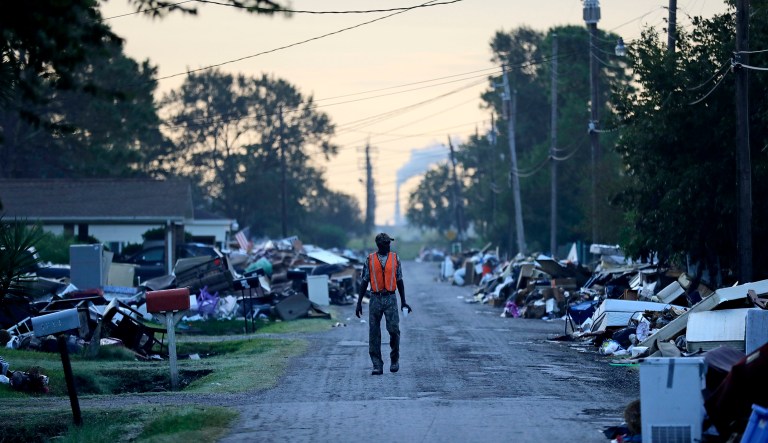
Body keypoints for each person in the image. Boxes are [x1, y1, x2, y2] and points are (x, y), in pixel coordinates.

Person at [356, 233, 412, 375]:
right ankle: (377, 365)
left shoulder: (395, 258)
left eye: (389, 243)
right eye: (386, 243)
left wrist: (404, 301)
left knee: (394, 330)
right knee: (374, 332)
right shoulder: (370, 259)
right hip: (375, 298)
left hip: (391, 298)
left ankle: (394, 360)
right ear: (379, 245)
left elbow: (399, 280)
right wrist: (359, 303)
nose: (389, 245)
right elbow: (364, 281)